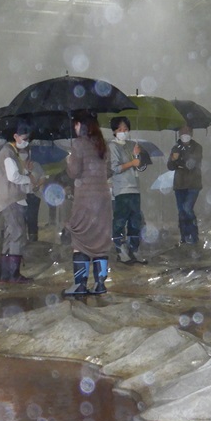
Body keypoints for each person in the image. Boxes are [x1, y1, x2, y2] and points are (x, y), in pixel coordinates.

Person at [63, 112, 113, 296]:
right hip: (103, 198)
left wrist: (69, 160)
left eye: (75, 125)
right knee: (100, 240)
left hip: (85, 198)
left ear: (81, 126)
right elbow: (107, 170)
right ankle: (100, 284)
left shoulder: (77, 144)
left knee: (80, 239)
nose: (74, 128)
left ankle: (80, 285)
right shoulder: (102, 145)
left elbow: (74, 172)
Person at [0, 123, 35, 284]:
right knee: (17, 233)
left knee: (10, 235)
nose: (26, 141)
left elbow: (16, 173)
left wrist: (26, 171)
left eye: (27, 139)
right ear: (15, 136)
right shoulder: (8, 152)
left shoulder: (13, 153)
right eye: (24, 138)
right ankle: (13, 274)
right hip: (11, 199)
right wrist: (28, 178)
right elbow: (13, 177)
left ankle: (5, 275)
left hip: (10, 199)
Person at [108, 116, 149, 264]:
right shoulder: (112, 146)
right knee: (120, 220)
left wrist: (137, 155)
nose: (123, 132)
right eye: (120, 129)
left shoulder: (133, 144)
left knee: (135, 221)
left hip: (134, 188)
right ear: (114, 131)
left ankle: (135, 250)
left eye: (125, 129)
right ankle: (121, 250)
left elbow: (141, 167)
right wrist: (132, 162)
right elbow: (115, 168)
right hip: (121, 189)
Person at [167, 124, 203, 246]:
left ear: (192, 133)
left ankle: (193, 236)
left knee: (188, 208)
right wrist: (173, 159)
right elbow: (170, 166)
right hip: (179, 184)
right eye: (182, 131)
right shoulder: (175, 147)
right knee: (182, 212)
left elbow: (192, 163)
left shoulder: (197, 147)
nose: (184, 134)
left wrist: (178, 160)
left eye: (187, 131)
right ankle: (184, 237)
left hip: (193, 184)